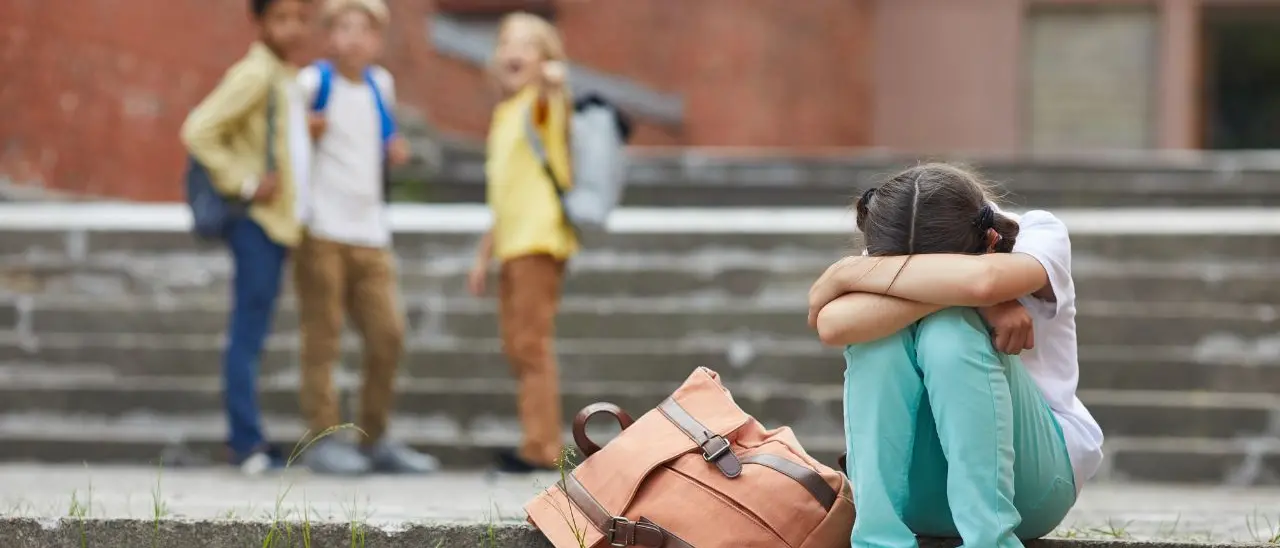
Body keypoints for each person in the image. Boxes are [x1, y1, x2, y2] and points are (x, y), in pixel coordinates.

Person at [807, 163, 1105, 548]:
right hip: (916, 498)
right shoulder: (900, 238)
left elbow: (984, 281)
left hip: (1032, 487)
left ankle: (989, 541)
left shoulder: (1038, 233)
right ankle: (878, 540)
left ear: (991, 241)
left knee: (950, 331)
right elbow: (833, 325)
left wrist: (846, 274)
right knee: (877, 341)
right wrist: (983, 304)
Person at [290, 0, 438, 475]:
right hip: (322, 232)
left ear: (378, 38)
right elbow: (288, 145)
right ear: (328, 34)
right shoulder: (313, 83)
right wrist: (305, 133)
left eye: (364, 29)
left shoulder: (381, 84)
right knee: (323, 338)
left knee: (388, 334)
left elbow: (379, 138)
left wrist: (392, 150)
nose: (353, 38)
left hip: (371, 232)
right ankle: (324, 437)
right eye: (343, 27)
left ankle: (374, 437)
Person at [180, 0, 312, 475]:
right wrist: (248, 181)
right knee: (247, 332)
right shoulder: (255, 73)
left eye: (301, 17)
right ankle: (245, 442)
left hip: (278, 225)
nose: (293, 27)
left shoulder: (283, 74)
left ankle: (249, 437)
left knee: (253, 330)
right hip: (256, 223)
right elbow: (199, 130)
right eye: (281, 17)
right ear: (258, 22)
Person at [467, 12, 574, 474]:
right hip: (511, 244)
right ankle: (537, 439)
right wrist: (483, 255)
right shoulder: (504, 113)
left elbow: (554, 98)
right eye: (507, 42)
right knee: (518, 346)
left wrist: (553, 81)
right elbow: (503, 193)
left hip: (538, 240)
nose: (514, 51)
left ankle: (542, 446)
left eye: (528, 45)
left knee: (531, 345)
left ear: (545, 58)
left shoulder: (539, 105)